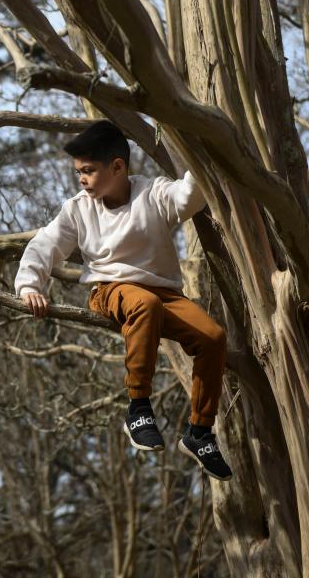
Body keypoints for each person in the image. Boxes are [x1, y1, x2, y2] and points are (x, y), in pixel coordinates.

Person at [14, 120, 232, 481]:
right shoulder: (78, 209)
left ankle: (199, 432)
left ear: (118, 167)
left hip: (164, 295)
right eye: (78, 172)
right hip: (110, 291)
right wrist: (29, 286)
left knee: (213, 337)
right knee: (142, 303)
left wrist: (202, 144)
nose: (81, 179)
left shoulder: (154, 194)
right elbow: (44, 245)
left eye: (88, 171)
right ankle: (138, 407)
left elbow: (190, 195)